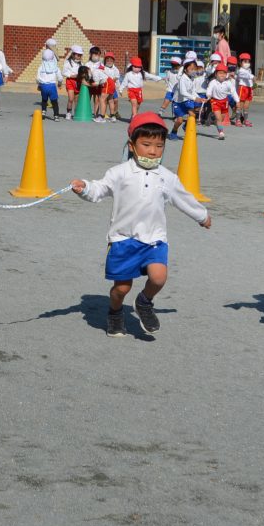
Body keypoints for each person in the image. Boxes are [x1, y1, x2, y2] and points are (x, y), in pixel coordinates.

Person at [70, 111, 211, 337]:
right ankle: (115, 313)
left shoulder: (166, 176)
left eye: (159, 146)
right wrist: (84, 187)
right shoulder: (119, 173)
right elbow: (99, 189)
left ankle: (144, 302)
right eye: (146, 144)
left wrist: (202, 216)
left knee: (158, 277)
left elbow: (183, 198)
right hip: (123, 240)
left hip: (154, 239)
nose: (153, 151)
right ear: (132, 145)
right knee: (121, 289)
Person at [119, 56, 162, 120]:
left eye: (139, 67)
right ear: (131, 66)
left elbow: (150, 76)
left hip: (139, 91)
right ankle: (134, 117)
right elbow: (124, 82)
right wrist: (121, 89)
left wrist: (159, 78)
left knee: (138, 104)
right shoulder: (128, 74)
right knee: (134, 103)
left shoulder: (142, 73)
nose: (137, 68)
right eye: (135, 67)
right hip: (131, 91)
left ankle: (133, 115)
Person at [170, 57, 201, 140]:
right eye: (191, 69)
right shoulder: (182, 79)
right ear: (185, 69)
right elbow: (183, 92)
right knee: (179, 121)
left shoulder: (192, 78)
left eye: (195, 69)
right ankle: (174, 131)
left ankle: (187, 126)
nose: (193, 70)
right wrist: (195, 98)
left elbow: (193, 91)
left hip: (187, 100)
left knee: (192, 115)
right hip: (178, 102)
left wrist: (199, 98)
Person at [205, 63, 239, 141]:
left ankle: (214, 119)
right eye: (220, 73)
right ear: (216, 74)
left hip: (224, 102)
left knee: (222, 118)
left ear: (226, 74)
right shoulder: (213, 82)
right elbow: (209, 90)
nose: (222, 75)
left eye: (224, 73)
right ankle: (221, 133)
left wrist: (237, 101)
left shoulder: (228, 83)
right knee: (219, 118)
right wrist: (209, 95)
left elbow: (233, 92)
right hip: (215, 101)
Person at [36, 48, 63, 119]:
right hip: (52, 86)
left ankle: (43, 112)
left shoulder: (41, 67)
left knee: (44, 100)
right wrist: (60, 83)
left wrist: (39, 85)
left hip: (43, 86)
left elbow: (38, 78)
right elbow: (60, 77)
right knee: (54, 102)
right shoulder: (55, 67)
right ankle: (56, 115)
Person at [62, 45, 84, 119]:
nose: (79, 57)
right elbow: (64, 72)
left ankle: (76, 113)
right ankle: (68, 113)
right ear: (73, 54)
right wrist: (71, 75)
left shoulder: (81, 64)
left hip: (78, 82)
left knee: (77, 100)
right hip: (70, 81)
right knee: (71, 98)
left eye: (80, 55)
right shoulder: (68, 62)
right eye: (78, 55)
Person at [235, 52, 255, 127]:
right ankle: (238, 120)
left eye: (248, 61)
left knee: (246, 106)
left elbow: (250, 79)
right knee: (240, 105)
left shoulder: (249, 70)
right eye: (245, 61)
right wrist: (252, 76)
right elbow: (246, 75)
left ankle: (245, 120)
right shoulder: (240, 70)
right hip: (243, 88)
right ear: (240, 62)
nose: (247, 63)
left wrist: (252, 87)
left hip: (249, 88)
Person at [100, 52, 120, 121]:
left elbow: (116, 77)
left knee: (115, 100)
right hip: (105, 86)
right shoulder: (103, 67)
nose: (109, 62)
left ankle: (114, 113)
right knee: (106, 100)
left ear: (113, 61)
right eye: (107, 60)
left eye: (111, 60)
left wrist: (110, 81)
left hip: (112, 87)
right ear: (105, 60)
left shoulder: (115, 69)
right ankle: (106, 114)